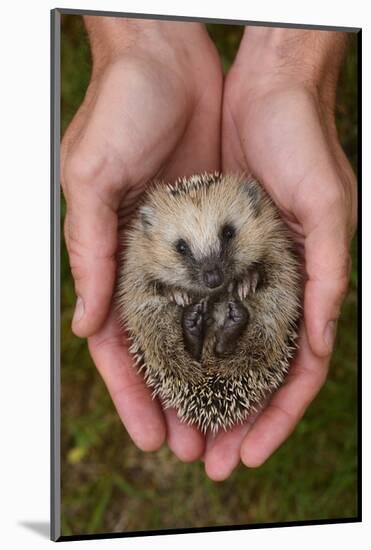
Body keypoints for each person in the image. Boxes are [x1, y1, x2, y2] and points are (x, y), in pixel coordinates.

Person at [61, 17, 357, 481]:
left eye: (227, 237)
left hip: (249, 335)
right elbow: (143, 296)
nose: (212, 269)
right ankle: (209, 335)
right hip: (194, 345)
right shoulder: (145, 249)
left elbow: (274, 273)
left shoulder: (261, 234)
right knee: (154, 315)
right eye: (183, 249)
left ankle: (209, 333)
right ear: (152, 235)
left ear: (251, 213)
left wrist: (297, 67)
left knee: (273, 288)